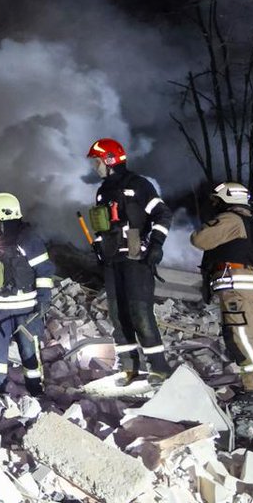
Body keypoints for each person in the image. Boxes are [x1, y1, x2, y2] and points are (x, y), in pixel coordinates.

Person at [87, 138, 175, 383]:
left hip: (136, 257)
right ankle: (129, 368)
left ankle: (159, 368)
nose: (95, 167)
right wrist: (99, 245)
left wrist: (156, 244)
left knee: (140, 313)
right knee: (118, 315)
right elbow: (103, 226)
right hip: (112, 260)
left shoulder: (139, 185)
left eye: (97, 162)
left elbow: (163, 214)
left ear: (110, 160)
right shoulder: (103, 192)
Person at [191, 182, 253, 399]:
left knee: (241, 337)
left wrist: (208, 223)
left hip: (237, 288)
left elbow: (200, 239)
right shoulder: (250, 222)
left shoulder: (231, 219)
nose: (214, 205)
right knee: (252, 337)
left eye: (217, 201)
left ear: (227, 199)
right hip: (249, 287)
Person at [0, 193, 54, 395]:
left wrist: (44, 299)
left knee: (29, 350)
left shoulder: (27, 239)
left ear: (4, 214)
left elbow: (44, 269)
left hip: (26, 309)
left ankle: (36, 390)